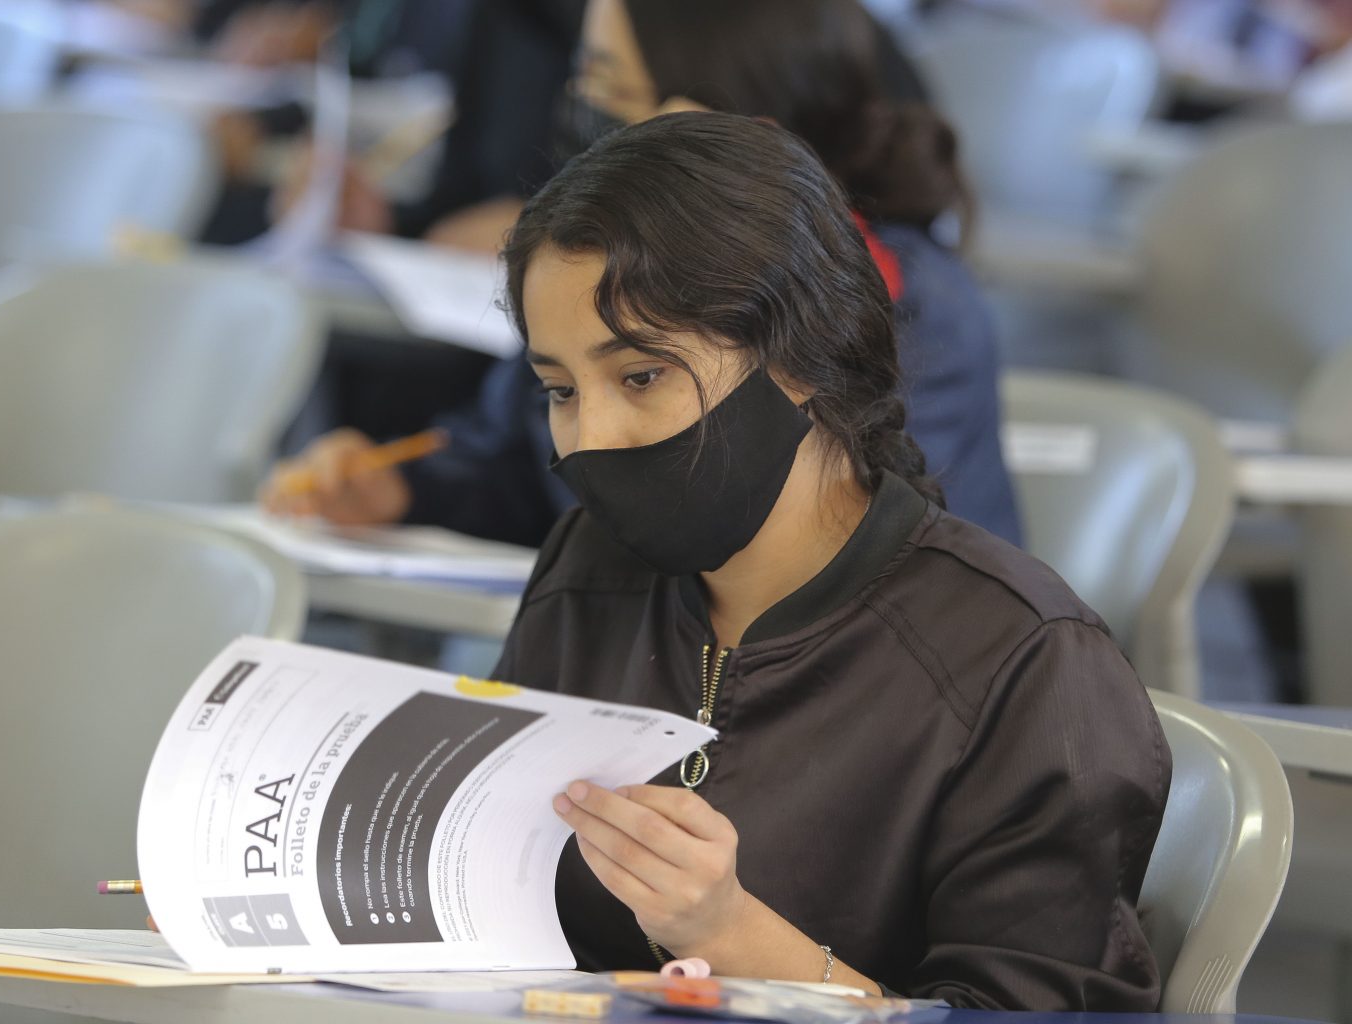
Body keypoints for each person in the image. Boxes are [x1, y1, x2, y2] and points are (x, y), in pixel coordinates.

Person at [493, 111, 1169, 1009]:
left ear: (799, 353)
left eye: (643, 375)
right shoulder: (589, 571)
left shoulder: (1023, 661)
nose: (592, 437)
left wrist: (731, 934)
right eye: (560, 390)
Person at [264, 0, 1023, 547]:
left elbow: (850, 549)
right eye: (582, 94)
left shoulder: (905, 305)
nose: (586, 129)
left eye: (614, 101)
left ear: (735, 142)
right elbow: (506, 455)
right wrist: (401, 485)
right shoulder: (596, 276)